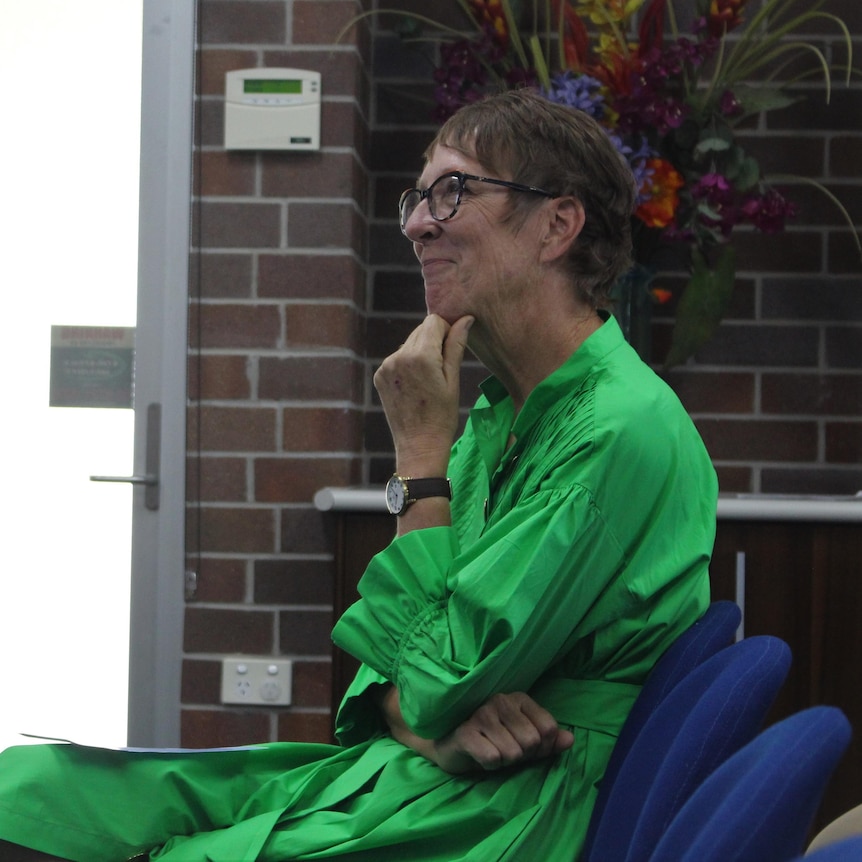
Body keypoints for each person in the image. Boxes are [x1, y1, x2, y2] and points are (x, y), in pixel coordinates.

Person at [0, 88, 717, 861]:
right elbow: (388, 680)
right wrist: (428, 723)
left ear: (557, 224)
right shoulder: (495, 417)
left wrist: (418, 463)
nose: (414, 223)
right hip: (426, 769)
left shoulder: (617, 429)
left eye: (453, 191)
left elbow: (436, 677)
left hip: (500, 813)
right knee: (24, 787)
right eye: (419, 196)